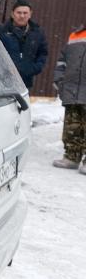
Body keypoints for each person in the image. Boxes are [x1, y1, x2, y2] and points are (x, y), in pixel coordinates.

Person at [52, 27, 86, 173]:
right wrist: (59, 80)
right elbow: (62, 61)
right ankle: (72, 157)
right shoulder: (75, 35)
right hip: (72, 89)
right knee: (72, 125)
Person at [0, 0, 49, 90]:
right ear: (12, 14)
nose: (22, 16)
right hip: (3, 81)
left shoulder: (37, 33)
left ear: (30, 14)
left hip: (26, 83)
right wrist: (0, 69)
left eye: (25, 13)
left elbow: (43, 53)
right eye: (19, 12)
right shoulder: (1, 31)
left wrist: (34, 68)